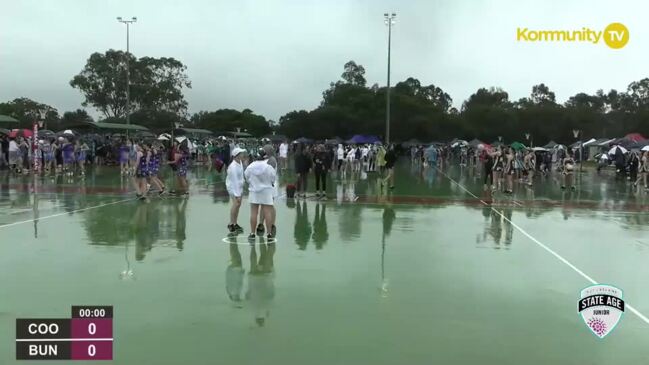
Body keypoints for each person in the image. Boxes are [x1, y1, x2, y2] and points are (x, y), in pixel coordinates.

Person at [244, 148, 277, 240]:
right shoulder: (268, 167)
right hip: (266, 191)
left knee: (254, 212)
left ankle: (252, 233)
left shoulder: (250, 167)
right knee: (267, 212)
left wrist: (252, 183)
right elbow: (273, 178)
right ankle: (269, 233)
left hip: (254, 191)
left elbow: (246, 177)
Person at [226, 147, 246, 234]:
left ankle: (235, 223)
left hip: (239, 186)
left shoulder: (240, 162)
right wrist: (237, 195)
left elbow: (241, 175)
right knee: (236, 204)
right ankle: (231, 224)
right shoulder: (232, 166)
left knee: (238, 204)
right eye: (241, 153)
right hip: (233, 187)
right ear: (236, 156)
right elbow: (234, 181)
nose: (243, 155)